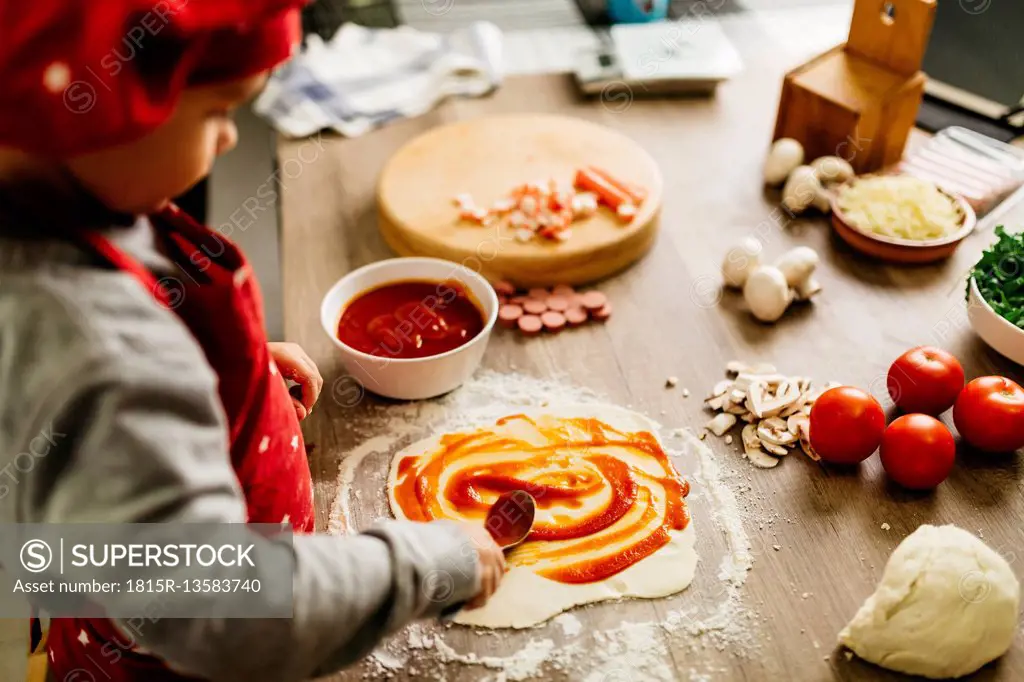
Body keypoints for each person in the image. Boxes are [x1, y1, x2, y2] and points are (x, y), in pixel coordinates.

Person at [0, 2, 505, 680]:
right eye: (217, 113)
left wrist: (224, 366)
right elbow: (226, 611)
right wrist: (428, 563)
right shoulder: (106, 353)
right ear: (88, 120)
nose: (232, 138)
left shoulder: (50, 213)